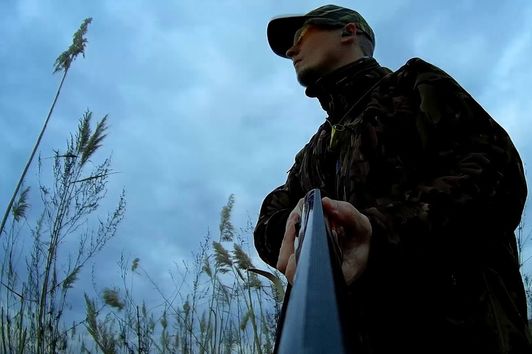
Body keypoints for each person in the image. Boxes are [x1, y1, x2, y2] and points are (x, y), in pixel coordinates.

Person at [253, 4, 532, 354]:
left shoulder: (414, 86)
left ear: (349, 32)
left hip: (463, 338)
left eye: (300, 35)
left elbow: (497, 172)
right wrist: (298, 228)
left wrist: (379, 230)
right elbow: (269, 220)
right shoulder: (314, 151)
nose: (292, 50)